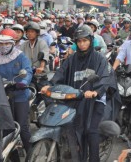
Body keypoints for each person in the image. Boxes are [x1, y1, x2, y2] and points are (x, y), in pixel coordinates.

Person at [41, 25, 118, 162]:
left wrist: (95, 91)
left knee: (90, 130)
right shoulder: (72, 59)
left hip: (95, 101)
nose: (82, 44)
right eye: (79, 41)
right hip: (76, 97)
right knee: (69, 125)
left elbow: (106, 78)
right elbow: (61, 72)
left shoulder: (99, 59)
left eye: (85, 41)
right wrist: (50, 85)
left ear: (91, 41)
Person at [0, 29, 33, 153]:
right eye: (1, 44)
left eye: (7, 43)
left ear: (13, 43)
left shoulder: (21, 56)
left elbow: (28, 71)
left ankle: (30, 154)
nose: (3, 46)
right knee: (6, 128)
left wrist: (23, 83)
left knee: (22, 127)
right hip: (3, 96)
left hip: (20, 94)